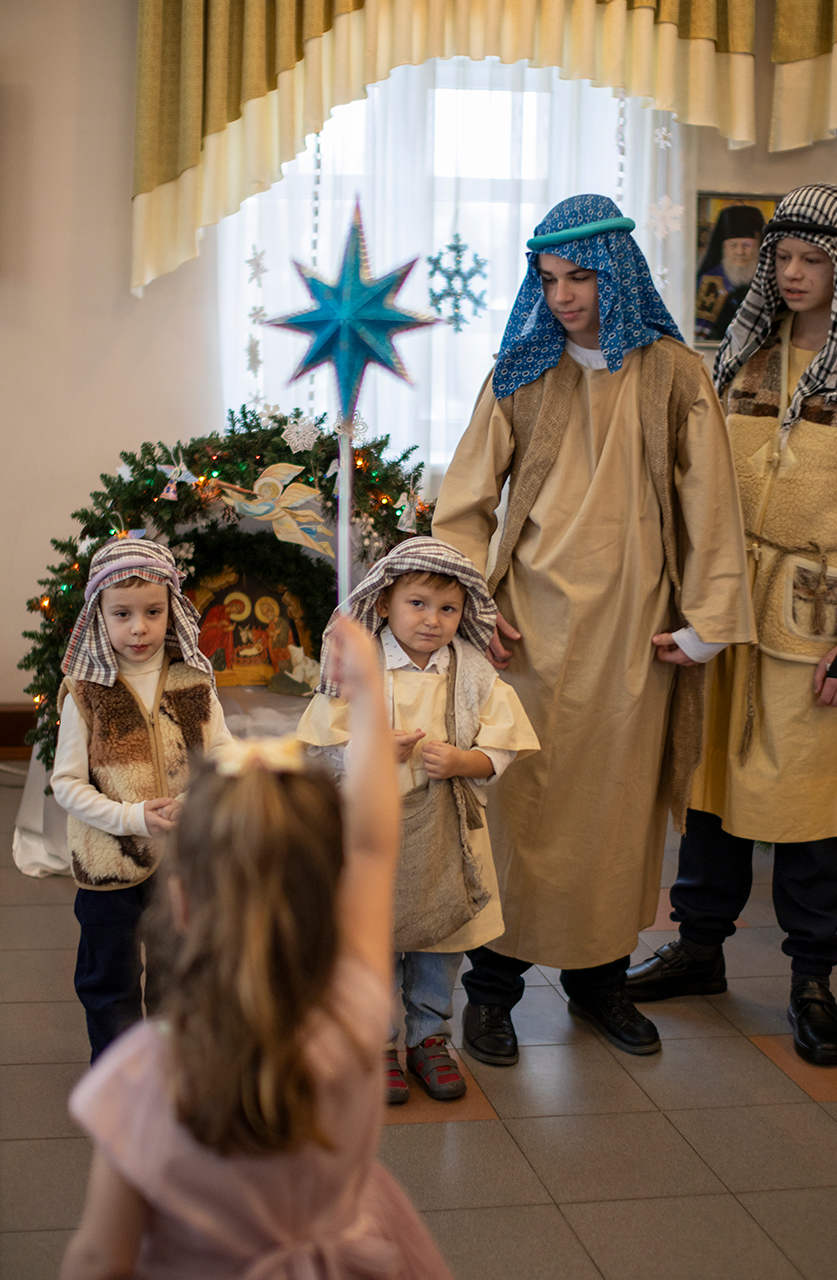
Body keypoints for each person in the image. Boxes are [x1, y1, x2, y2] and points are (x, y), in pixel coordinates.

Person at [431, 194, 754, 1064]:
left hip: (633, 641)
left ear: (617, 272)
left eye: (580, 277)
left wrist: (706, 624)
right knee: (517, 811)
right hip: (528, 636)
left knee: (615, 814)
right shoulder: (521, 371)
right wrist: (471, 609)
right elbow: (464, 504)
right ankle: (492, 993)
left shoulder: (675, 375)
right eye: (548, 279)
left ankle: (599, 981)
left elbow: (711, 504)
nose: (564, 296)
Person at [61, 619, 454, 1280]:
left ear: (181, 905)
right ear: (329, 898)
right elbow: (371, 845)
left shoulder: (144, 1077)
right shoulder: (355, 1010)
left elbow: (102, 1258)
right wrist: (367, 691)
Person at [626, 184, 837, 1067]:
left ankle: (812, 979)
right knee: (709, 785)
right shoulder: (744, 357)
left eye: (812, 260)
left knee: (807, 805)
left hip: (816, 613)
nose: (791, 274)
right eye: (782, 257)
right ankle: (699, 948)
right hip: (728, 604)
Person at [298, 538, 538, 1102]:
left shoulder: (473, 673)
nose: (433, 620)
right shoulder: (357, 669)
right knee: (374, 940)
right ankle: (377, 1041)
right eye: (418, 604)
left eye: (448, 609)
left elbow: (503, 747)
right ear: (384, 603)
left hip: (446, 835)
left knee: (440, 939)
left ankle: (429, 1036)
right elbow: (320, 746)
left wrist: (464, 762)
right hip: (370, 833)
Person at [51, 539, 231, 1061]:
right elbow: (67, 784)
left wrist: (197, 799)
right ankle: (121, 1075)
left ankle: (174, 1069)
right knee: (110, 977)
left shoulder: (193, 681)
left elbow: (223, 753)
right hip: (108, 864)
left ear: (172, 611)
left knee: (180, 970)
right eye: (122, 614)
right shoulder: (86, 692)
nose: (139, 628)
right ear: (99, 616)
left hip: (182, 859)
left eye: (153, 612)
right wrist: (132, 817)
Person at [695, 204, 765, 341]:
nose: (740, 252)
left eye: (747, 245)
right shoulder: (709, 283)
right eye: (733, 245)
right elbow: (700, 337)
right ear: (723, 248)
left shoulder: (768, 280)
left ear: (758, 247)